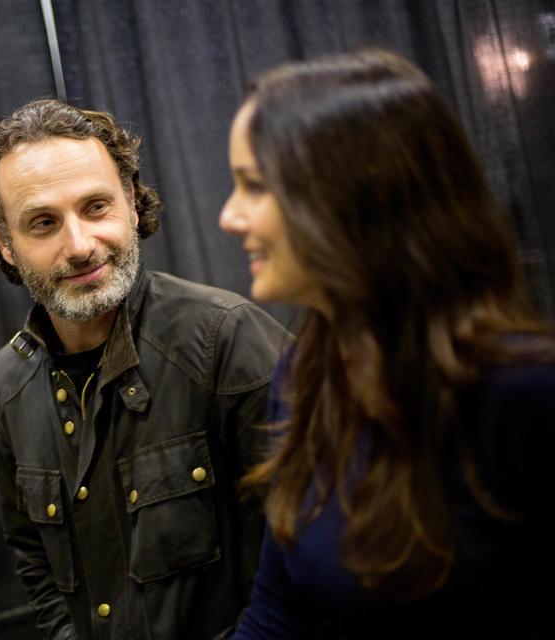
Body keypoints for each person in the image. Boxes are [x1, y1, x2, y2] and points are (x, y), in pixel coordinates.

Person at [218, 49, 555, 638]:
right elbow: (278, 609)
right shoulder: (304, 373)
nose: (229, 215)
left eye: (254, 186)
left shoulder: (522, 392)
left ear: (349, 197)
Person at [0, 98, 289, 639]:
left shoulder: (227, 340)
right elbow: (36, 564)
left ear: (133, 205)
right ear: (4, 242)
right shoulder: (5, 384)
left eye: (96, 207)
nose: (80, 245)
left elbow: (317, 556)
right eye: (43, 223)